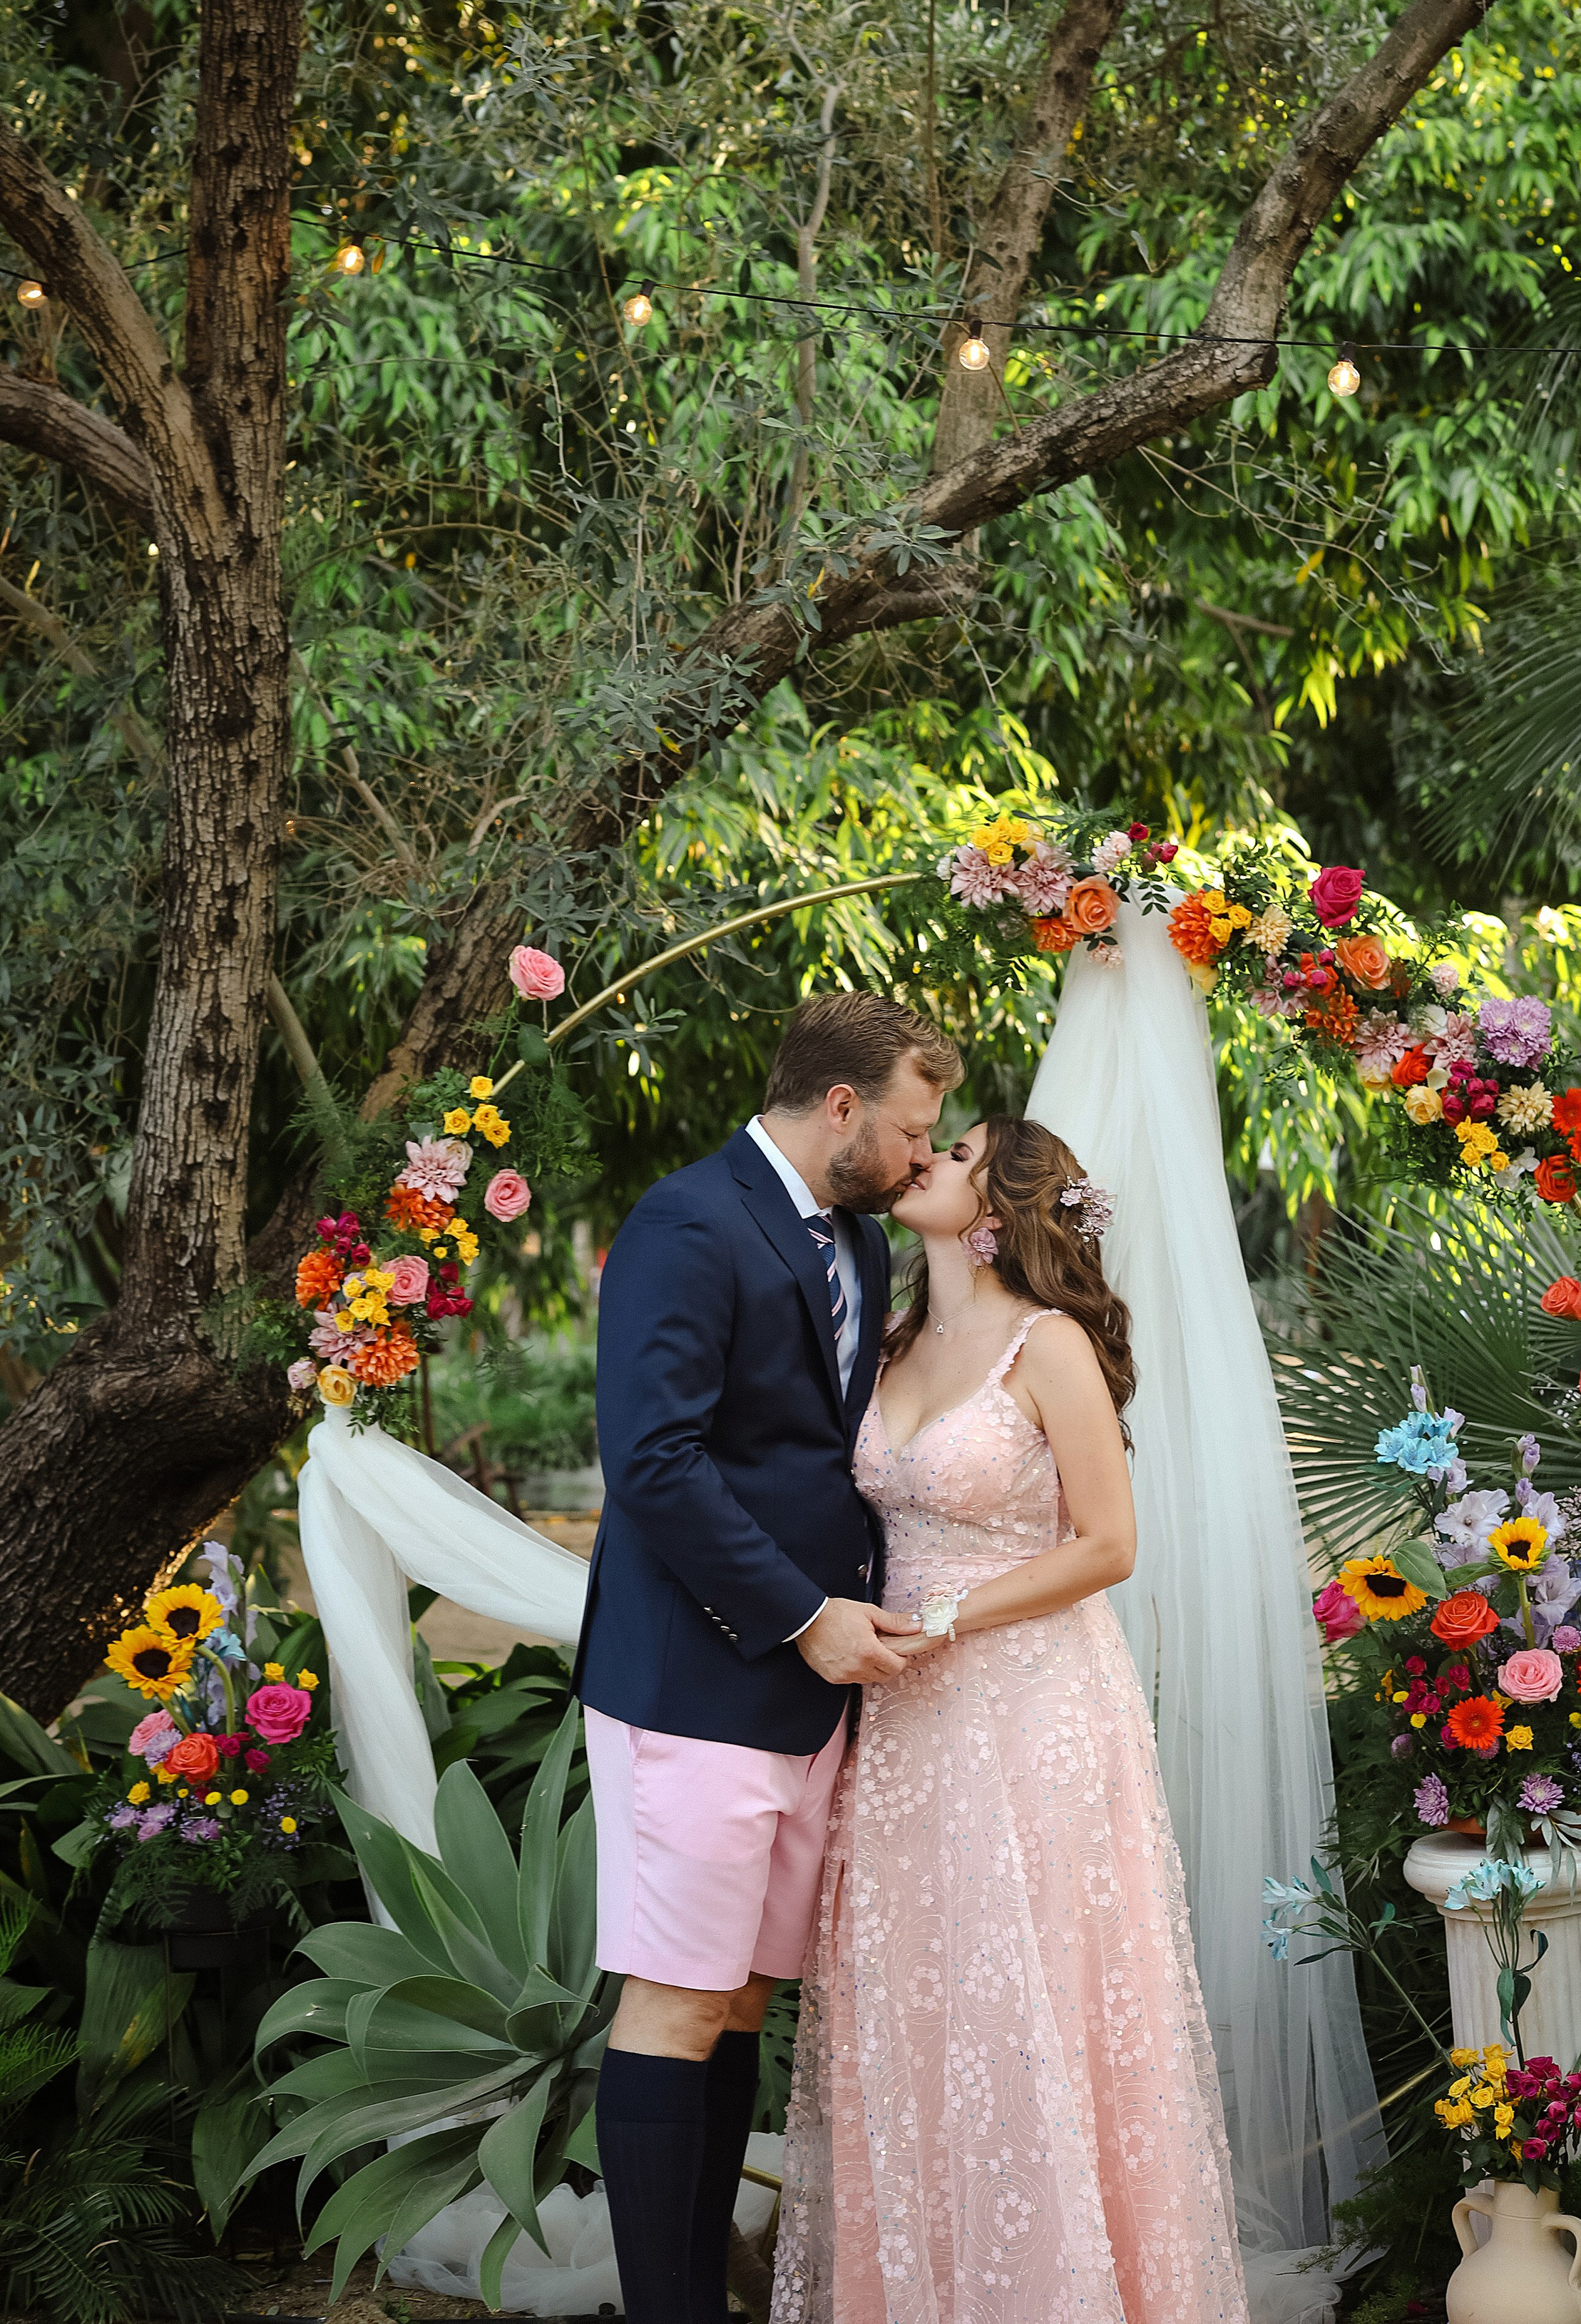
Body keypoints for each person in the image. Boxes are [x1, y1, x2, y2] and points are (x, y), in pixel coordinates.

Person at [772, 1113, 1251, 2323]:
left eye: (964, 1149)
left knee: (1034, 2004)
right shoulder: (884, 1342)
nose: (928, 1154)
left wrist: (954, 1616)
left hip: (1036, 1709)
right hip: (908, 1730)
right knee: (920, 2002)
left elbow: (1109, 1544)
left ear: (1001, 1207)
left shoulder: (1050, 1349)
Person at [578, 989, 964, 2324]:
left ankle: (701, 2294)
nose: (926, 1158)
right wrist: (807, 1615)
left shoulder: (855, 1239)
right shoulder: (687, 1220)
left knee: (740, 2003)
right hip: (694, 1680)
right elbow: (653, 1462)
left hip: (810, 1695)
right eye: (914, 1131)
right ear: (843, 1106)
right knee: (677, 2005)